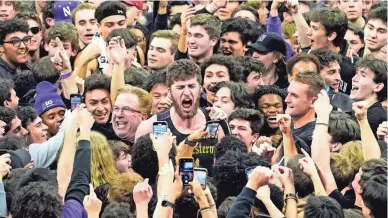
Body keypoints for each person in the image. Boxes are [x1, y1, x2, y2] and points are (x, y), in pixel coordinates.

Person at [136, 59, 228, 174]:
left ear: (200, 89)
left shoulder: (215, 124)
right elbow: (141, 176)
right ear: (169, 92)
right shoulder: (149, 127)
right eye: (180, 87)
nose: (187, 92)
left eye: (191, 86)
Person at [286, 71, 326, 146]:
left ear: (313, 101)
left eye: (294, 95)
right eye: (288, 93)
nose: (286, 100)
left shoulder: (312, 137)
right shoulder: (286, 126)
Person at [350, 56, 387, 136]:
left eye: (363, 75)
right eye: (356, 74)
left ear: (377, 87)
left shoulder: (374, 116)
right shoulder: (363, 111)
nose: (354, 78)